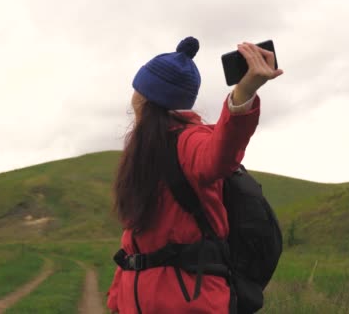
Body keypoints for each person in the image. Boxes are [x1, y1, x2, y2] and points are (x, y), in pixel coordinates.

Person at [107, 37, 283, 314]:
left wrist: (244, 93)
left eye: (137, 90)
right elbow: (136, 242)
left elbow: (220, 154)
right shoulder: (143, 155)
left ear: (147, 99)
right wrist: (117, 299)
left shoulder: (189, 141)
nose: (133, 98)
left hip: (191, 303)